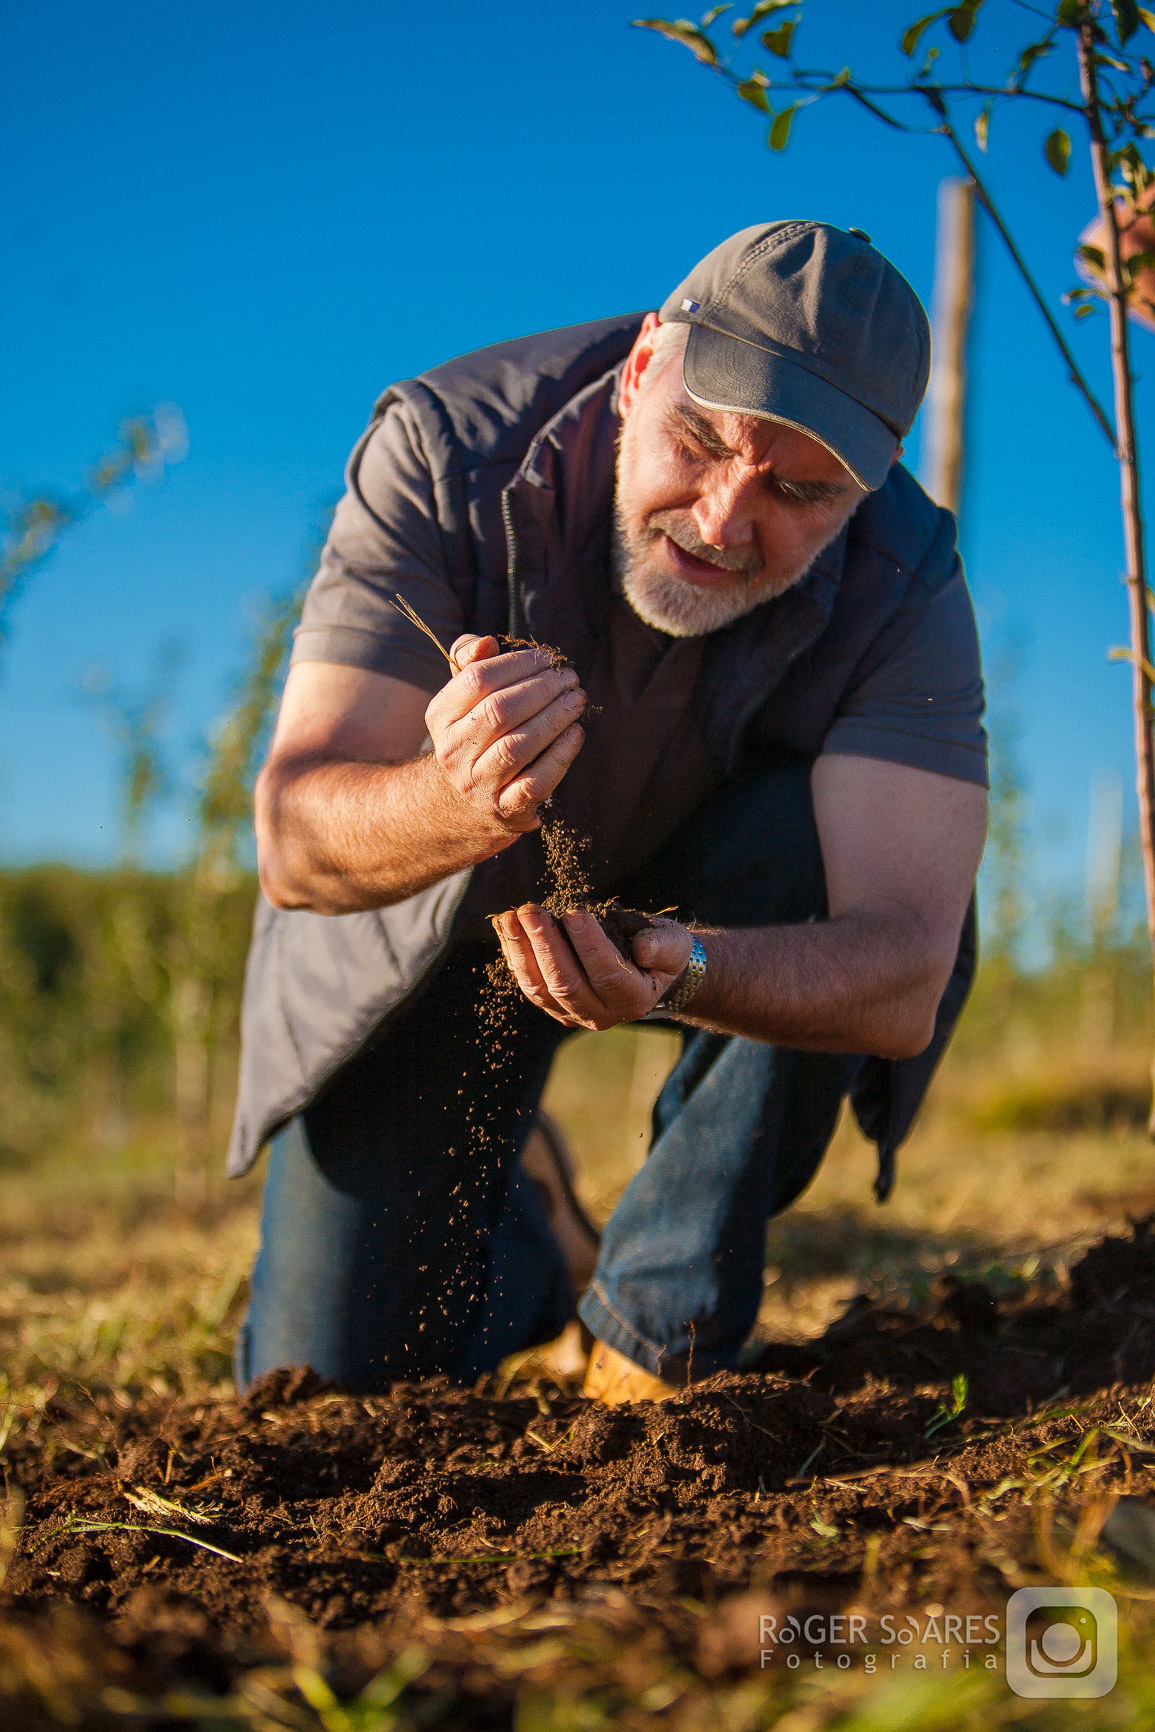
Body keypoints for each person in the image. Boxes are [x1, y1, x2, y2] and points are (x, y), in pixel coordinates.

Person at [230, 221, 988, 1404]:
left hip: (694, 911)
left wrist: (686, 970)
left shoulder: (908, 573)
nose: (725, 520)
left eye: (798, 490)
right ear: (640, 370)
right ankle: (535, 1233)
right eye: (701, 440)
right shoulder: (444, 450)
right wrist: (455, 796)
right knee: (334, 1386)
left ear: (872, 482)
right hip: (426, 935)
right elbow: (294, 842)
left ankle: (656, 1330)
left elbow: (901, 969)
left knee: (821, 859)